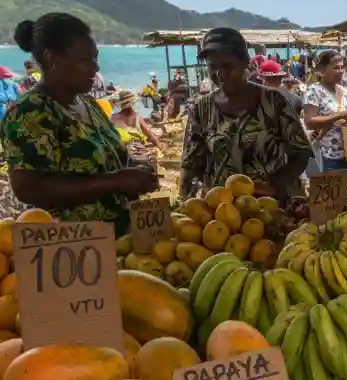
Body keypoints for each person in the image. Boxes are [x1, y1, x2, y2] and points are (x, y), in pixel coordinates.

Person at [2, 14, 158, 231]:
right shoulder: (31, 111)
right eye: (85, 60)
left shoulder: (88, 104)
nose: (96, 68)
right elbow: (29, 188)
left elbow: (99, 160)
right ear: (51, 59)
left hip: (122, 240)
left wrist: (134, 167)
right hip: (73, 246)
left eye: (96, 58)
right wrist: (116, 182)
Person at [179, 27, 310, 201]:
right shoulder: (202, 109)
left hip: (273, 207)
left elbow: (301, 153)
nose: (220, 74)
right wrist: (183, 202)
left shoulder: (273, 101)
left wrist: (275, 183)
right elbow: (190, 165)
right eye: (213, 67)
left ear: (245, 62)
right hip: (222, 214)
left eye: (228, 66)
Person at [301, 51, 347, 173]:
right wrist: (339, 115)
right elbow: (310, 122)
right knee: (333, 191)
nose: (340, 71)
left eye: (341, 67)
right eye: (335, 68)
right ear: (323, 69)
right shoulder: (314, 91)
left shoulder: (344, 91)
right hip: (329, 155)